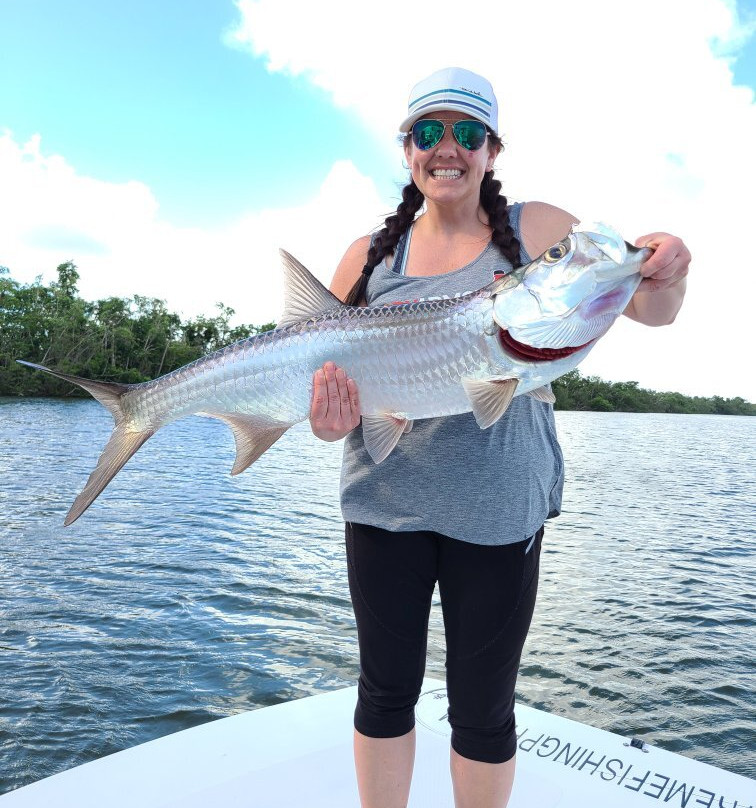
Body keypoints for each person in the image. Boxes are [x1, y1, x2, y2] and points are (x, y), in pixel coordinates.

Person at [308, 67, 690, 808]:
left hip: (498, 508)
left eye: (465, 133)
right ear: (407, 149)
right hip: (384, 506)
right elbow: (326, 397)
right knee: (384, 691)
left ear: (491, 149)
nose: (445, 148)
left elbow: (655, 310)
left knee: (483, 707)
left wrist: (671, 263)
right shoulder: (367, 257)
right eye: (427, 132)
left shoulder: (542, 232)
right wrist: (329, 421)